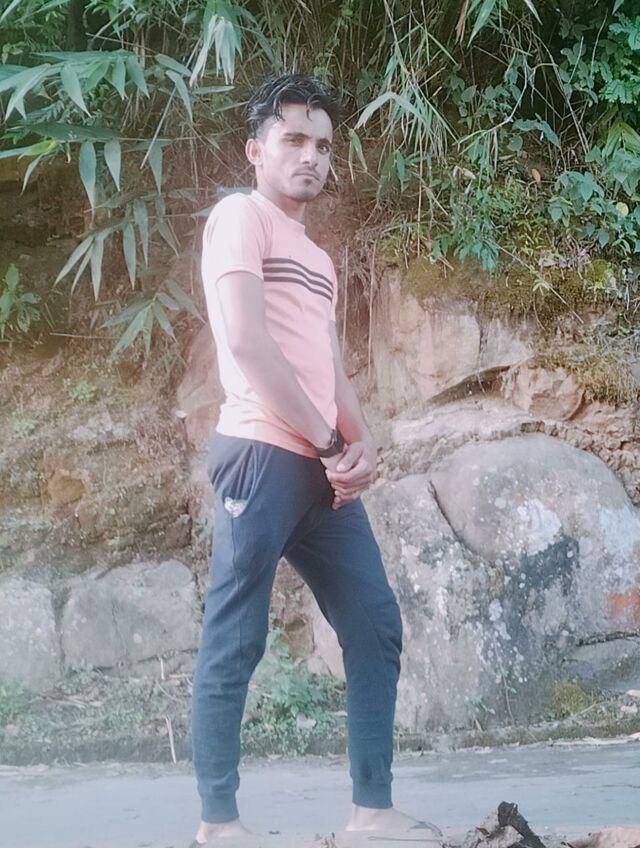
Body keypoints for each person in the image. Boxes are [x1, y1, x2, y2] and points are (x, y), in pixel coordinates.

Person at [191, 74, 425, 845]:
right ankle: (219, 825)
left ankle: (372, 811)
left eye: (323, 145)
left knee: (374, 623)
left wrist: (360, 442)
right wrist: (327, 443)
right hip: (261, 454)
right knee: (236, 636)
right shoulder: (240, 217)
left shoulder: (318, 259)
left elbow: (328, 366)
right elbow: (247, 342)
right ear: (255, 151)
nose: (311, 157)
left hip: (322, 471)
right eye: (293, 140)